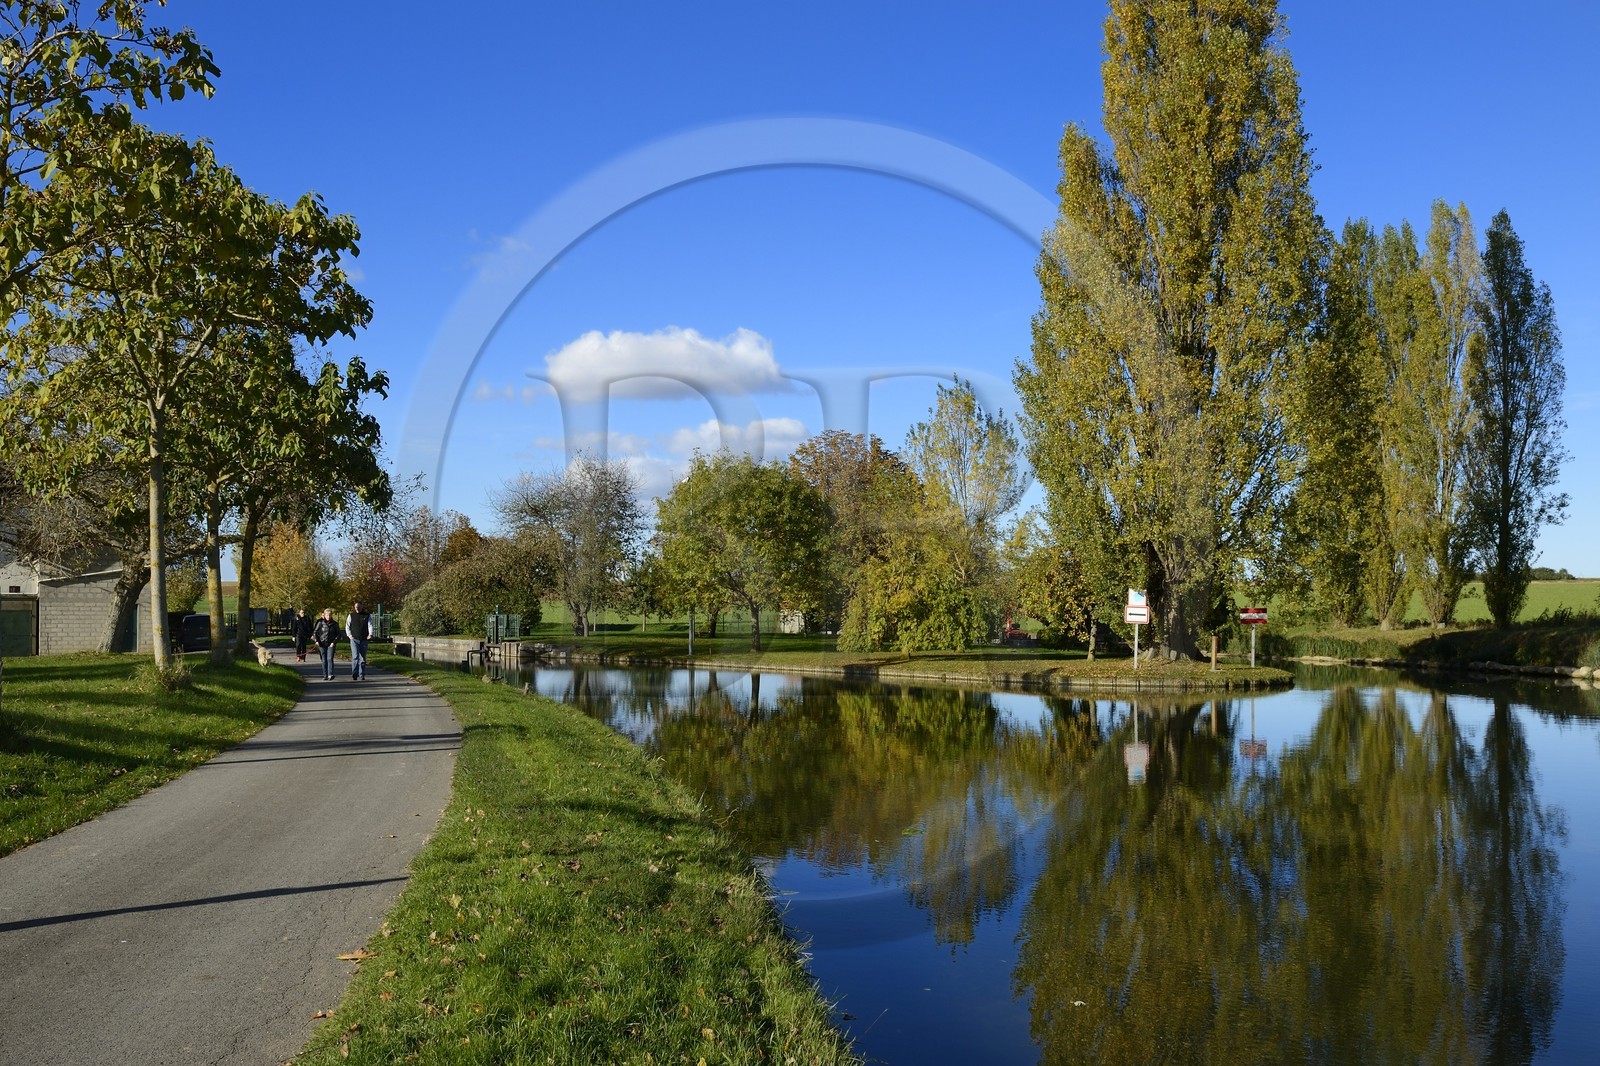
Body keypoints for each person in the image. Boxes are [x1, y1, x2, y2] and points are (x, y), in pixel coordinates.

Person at [345, 601, 372, 681]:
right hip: (354, 639)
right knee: (355, 657)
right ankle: (355, 673)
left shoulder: (367, 615)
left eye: (359, 607)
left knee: (363, 658)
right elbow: (347, 626)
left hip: (364, 639)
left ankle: (362, 674)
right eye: (356, 607)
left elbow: (370, 625)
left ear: (362, 607)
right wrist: (349, 635)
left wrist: (370, 634)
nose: (357, 608)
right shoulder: (351, 615)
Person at [312, 608, 340, 681]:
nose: (328, 616)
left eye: (329, 615)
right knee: (324, 659)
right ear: (324, 615)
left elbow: (338, 635)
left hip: (331, 643)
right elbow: (315, 632)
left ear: (331, 615)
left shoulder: (335, 624)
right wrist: (316, 641)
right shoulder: (320, 623)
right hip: (322, 643)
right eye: (327, 615)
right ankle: (325, 675)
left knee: (330, 658)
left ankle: (330, 674)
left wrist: (334, 642)